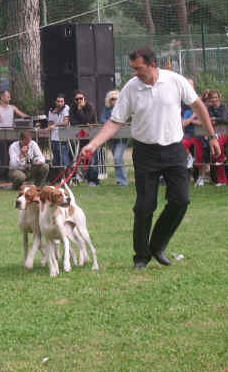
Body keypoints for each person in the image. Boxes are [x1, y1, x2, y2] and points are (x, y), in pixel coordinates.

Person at [81, 46, 220, 269]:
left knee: (181, 200)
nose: (134, 72)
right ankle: (141, 256)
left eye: (139, 68)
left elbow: (199, 106)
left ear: (152, 64)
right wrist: (94, 143)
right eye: (132, 68)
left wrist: (212, 136)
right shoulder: (130, 88)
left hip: (174, 150)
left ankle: (157, 245)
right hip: (145, 152)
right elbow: (115, 121)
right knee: (145, 205)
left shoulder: (175, 81)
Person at [0, 90, 30, 180]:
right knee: (4, 158)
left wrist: (32, 118)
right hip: (1, 136)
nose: (10, 98)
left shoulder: (12, 107)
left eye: (9, 96)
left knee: (11, 157)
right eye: (8, 97)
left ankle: (8, 176)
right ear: (2, 97)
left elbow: (23, 115)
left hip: (11, 135)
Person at [69, 90, 100, 186]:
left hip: (91, 136)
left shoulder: (90, 106)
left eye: (80, 99)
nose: (79, 101)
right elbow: (73, 122)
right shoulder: (72, 107)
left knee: (92, 158)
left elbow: (87, 119)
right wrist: (84, 124)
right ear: (74, 100)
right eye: (77, 99)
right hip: (80, 136)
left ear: (84, 99)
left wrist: (80, 110)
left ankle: (93, 180)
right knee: (81, 158)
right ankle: (82, 177)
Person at [99, 90, 129, 186]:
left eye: (117, 99)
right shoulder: (106, 110)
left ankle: (122, 181)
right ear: (109, 100)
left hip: (122, 138)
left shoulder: (124, 109)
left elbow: (126, 119)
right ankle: (120, 180)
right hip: (111, 138)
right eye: (113, 99)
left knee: (117, 157)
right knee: (117, 159)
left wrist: (113, 123)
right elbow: (102, 120)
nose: (115, 101)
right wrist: (113, 123)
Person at [206, 89, 228, 186]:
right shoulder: (209, 108)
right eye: (212, 98)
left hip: (223, 134)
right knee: (216, 157)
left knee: (217, 152)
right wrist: (215, 119)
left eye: (216, 97)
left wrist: (215, 119)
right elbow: (208, 119)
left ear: (219, 97)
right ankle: (220, 180)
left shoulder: (224, 106)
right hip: (213, 135)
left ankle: (222, 180)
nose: (214, 99)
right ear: (210, 99)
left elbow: (224, 118)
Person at [48, 94, 70, 168]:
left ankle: (67, 178)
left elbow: (66, 122)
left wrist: (55, 125)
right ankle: (61, 178)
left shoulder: (66, 108)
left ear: (64, 102)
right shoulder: (51, 111)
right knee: (56, 161)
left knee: (64, 161)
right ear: (55, 102)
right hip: (53, 139)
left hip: (63, 138)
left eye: (62, 101)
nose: (60, 103)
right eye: (58, 101)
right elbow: (50, 124)